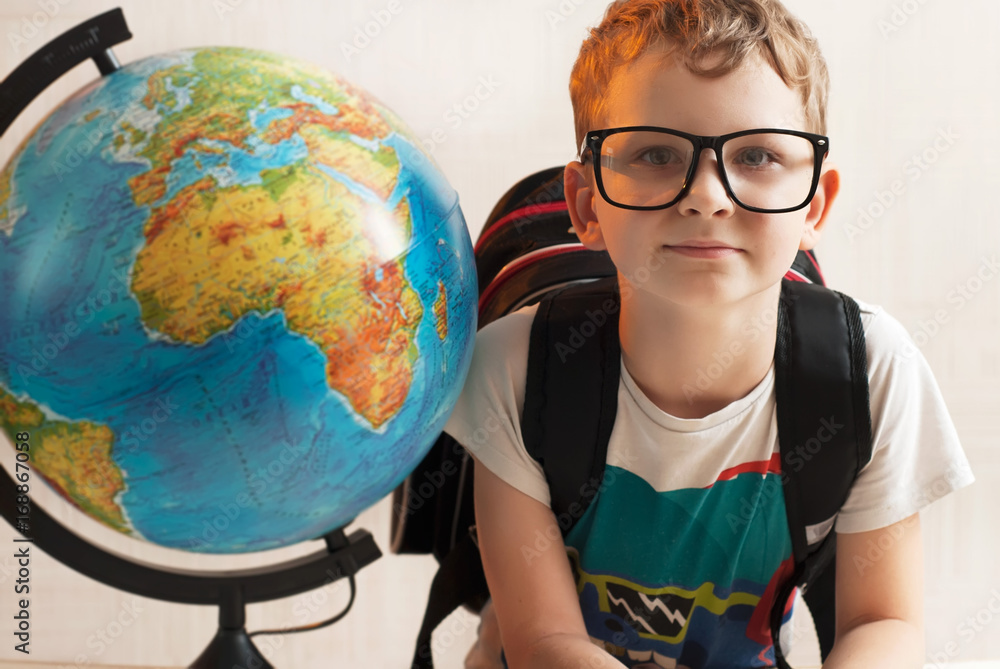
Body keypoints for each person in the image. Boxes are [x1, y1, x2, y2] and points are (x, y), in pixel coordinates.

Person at [445, 1, 974, 667]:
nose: (708, 195)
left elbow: (884, 622)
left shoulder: (870, 373)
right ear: (586, 205)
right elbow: (544, 641)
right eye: (658, 153)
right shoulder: (516, 370)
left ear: (815, 203)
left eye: (755, 154)